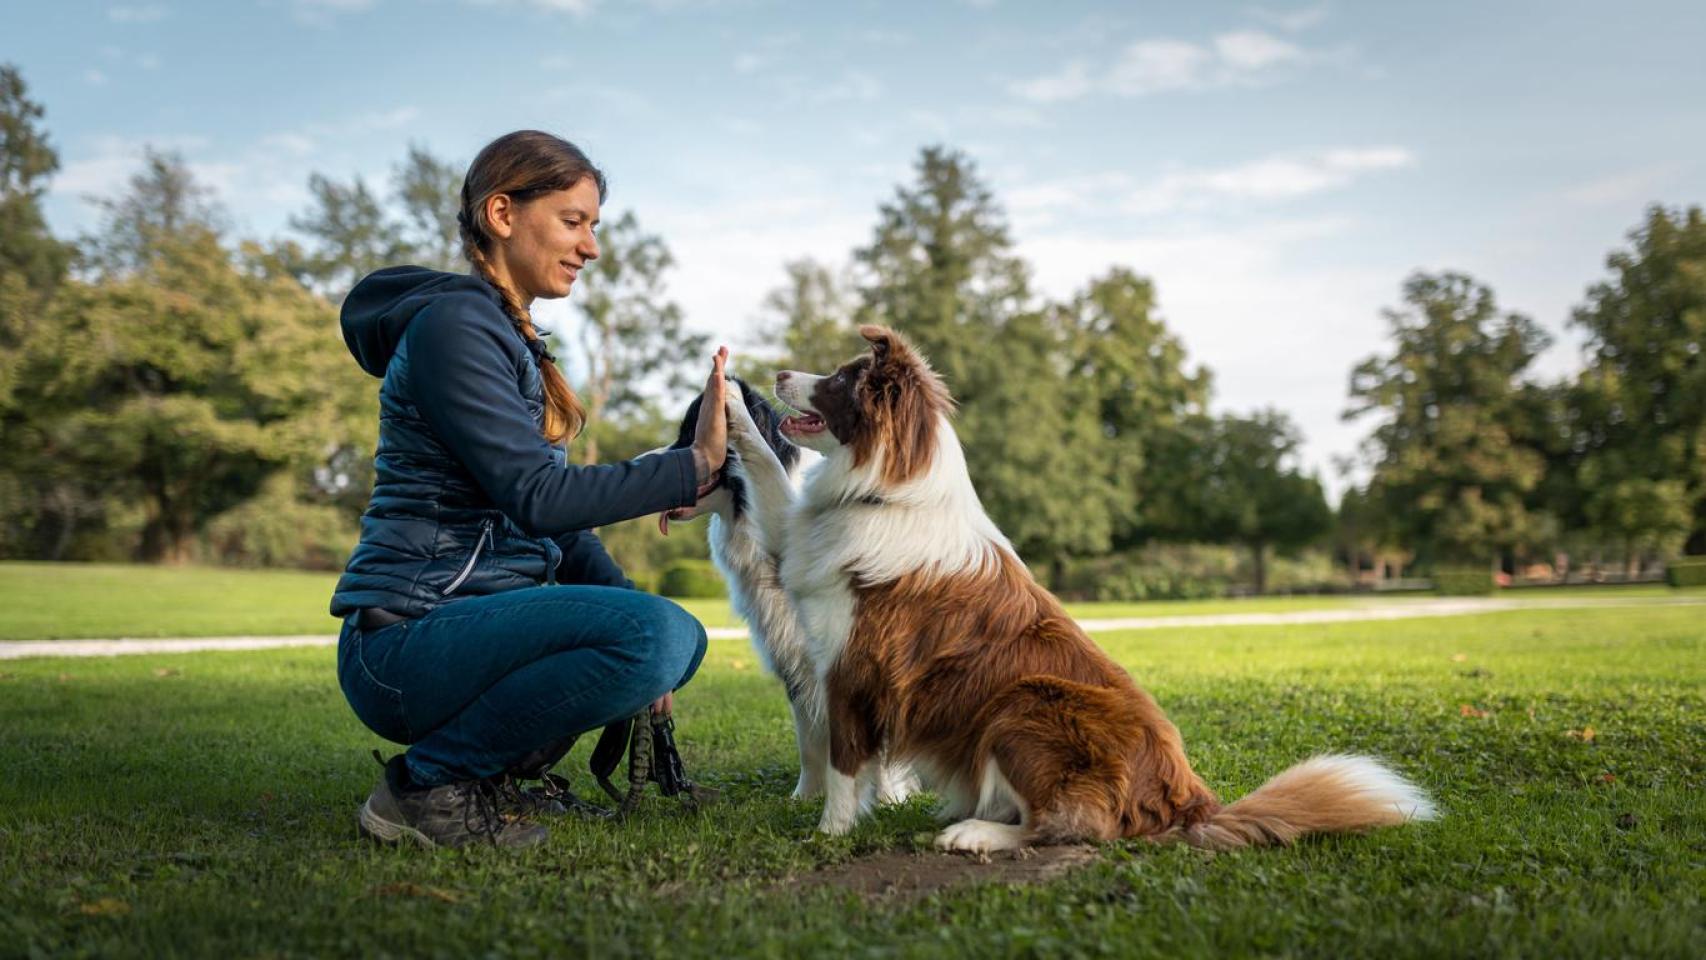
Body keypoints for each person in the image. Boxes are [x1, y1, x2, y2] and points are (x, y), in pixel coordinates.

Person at [330, 129, 729, 849]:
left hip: (464, 629)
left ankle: (488, 777)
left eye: (593, 227)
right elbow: (538, 498)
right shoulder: (456, 327)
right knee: (658, 634)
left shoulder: (504, 335)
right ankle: (428, 786)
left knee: (671, 636)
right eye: (573, 222)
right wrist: (690, 464)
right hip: (406, 639)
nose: (591, 246)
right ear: (503, 215)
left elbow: (553, 530)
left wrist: (636, 616)